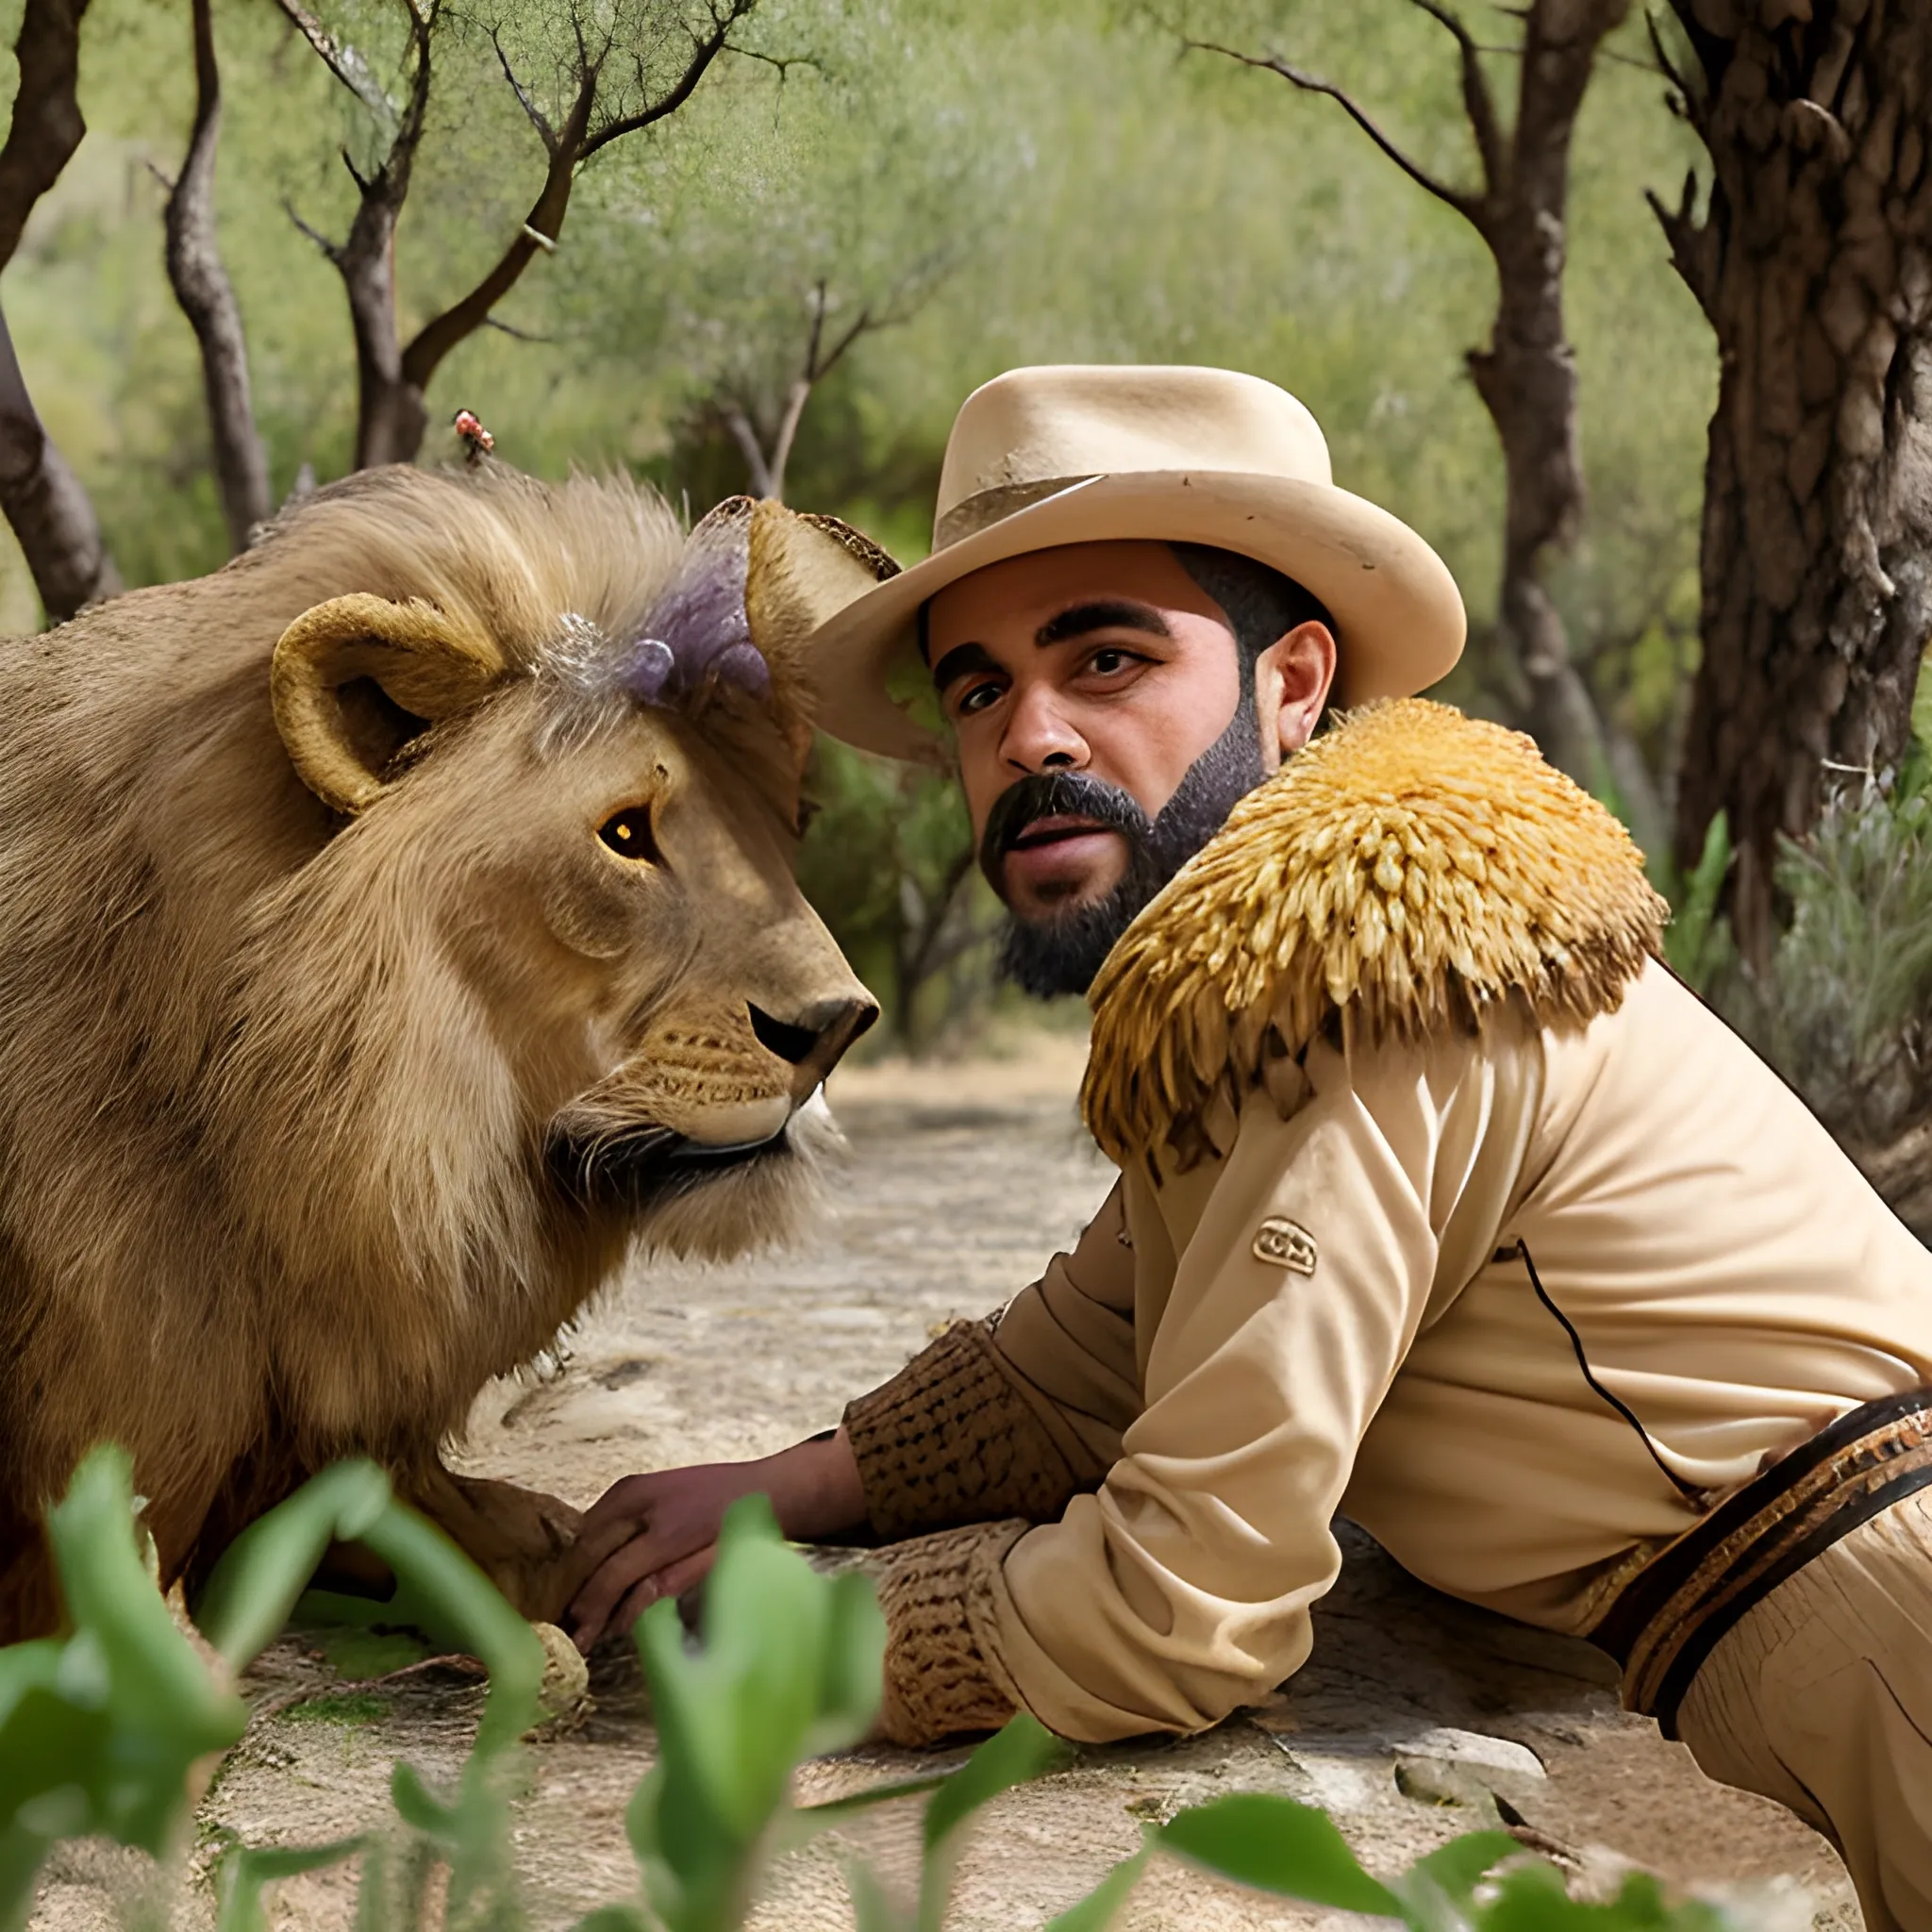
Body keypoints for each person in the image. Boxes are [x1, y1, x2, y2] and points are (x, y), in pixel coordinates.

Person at [568, 365, 1932, 1929]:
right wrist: (784, 1490)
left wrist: (787, 1638)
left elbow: (1177, 1614)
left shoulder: (1367, 995)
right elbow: (1104, 1340)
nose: (1030, 735)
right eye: (978, 689)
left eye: (1106, 656)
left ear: (1292, 687)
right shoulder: (1291, 969)